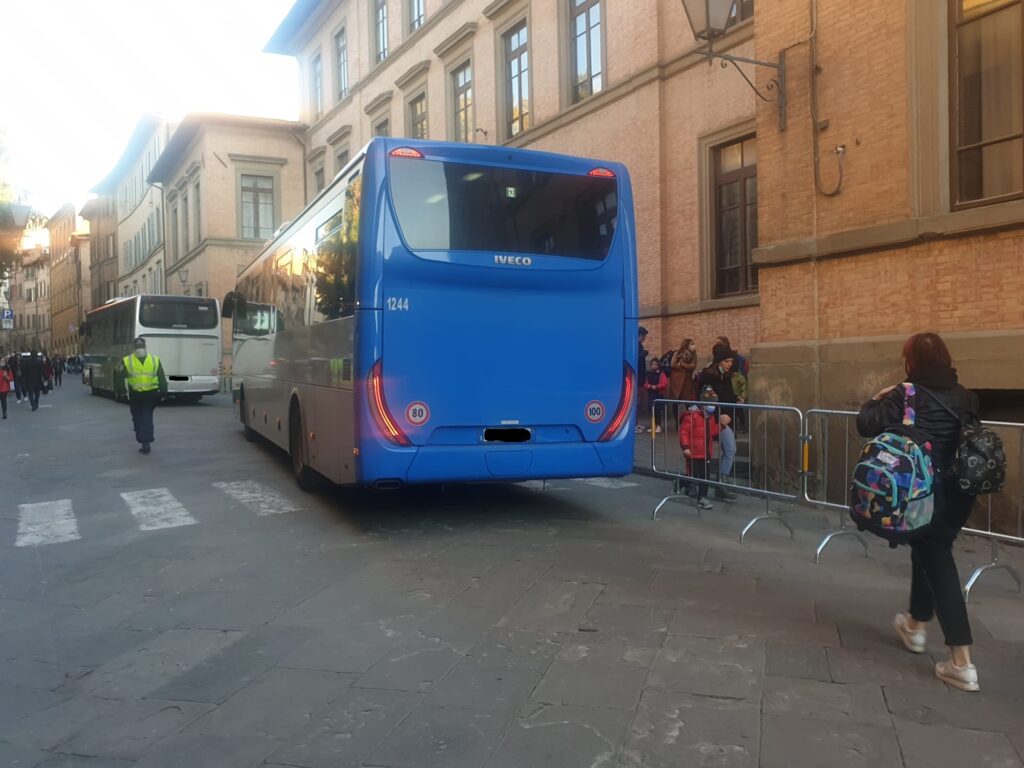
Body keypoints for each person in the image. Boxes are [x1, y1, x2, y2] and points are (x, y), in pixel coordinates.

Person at [856, 332, 981, 692]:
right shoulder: (966, 396)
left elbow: (866, 425)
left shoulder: (905, 394)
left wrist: (874, 399)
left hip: (920, 492)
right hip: (959, 492)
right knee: (928, 550)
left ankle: (962, 662)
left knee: (938, 562)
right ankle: (915, 625)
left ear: (911, 362)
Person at [697, 344, 739, 501]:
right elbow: (705, 399)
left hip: (725, 421)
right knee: (702, 453)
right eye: (726, 361)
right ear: (719, 361)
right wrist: (719, 416)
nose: (729, 364)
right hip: (710, 420)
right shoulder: (708, 376)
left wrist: (730, 413)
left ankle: (721, 483)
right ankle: (694, 484)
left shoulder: (727, 377)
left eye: (731, 361)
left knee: (730, 449)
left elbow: (730, 398)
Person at [119, 337, 168, 454]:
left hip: (150, 394)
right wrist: (122, 390)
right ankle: (143, 438)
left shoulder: (154, 360)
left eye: (141, 348)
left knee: (146, 416)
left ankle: (145, 441)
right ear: (134, 349)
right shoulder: (127, 360)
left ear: (145, 348)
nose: (139, 350)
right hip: (135, 394)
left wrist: (163, 391)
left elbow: (161, 376)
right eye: (137, 348)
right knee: (137, 417)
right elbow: (121, 376)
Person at [680, 386, 721, 510]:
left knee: (705, 477)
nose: (712, 407)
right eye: (710, 404)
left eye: (714, 404)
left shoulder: (710, 417)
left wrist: (722, 426)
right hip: (693, 452)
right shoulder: (692, 416)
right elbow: (683, 432)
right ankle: (682, 483)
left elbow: (712, 432)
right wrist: (685, 446)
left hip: (706, 452)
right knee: (693, 474)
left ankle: (702, 497)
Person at [641, 358, 669, 433]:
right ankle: (653, 426)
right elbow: (644, 383)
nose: (654, 366)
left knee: (658, 411)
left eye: (655, 364)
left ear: (658, 366)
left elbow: (665, 383)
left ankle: (659, 426)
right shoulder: (648, 374)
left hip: (658, 394)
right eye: (652, 364)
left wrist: (657, 386)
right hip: (651, 394)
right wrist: (648, 386)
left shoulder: (661, 374)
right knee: (652, 411)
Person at [669, 338, 698, 403]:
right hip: (677, 379)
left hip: (687, 380)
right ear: (687, 345)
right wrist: (685, 369)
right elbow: (673, 364)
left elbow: (693, 366)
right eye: (691, 344)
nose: (693, 345)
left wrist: (682, 364)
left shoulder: (694, 354)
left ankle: (687, 413)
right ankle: (675, 413)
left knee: (687, 400)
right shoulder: (678, 352)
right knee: (675, 399)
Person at [635, 326, 650, 434]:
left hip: (639, 378)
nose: (645, 338)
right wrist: (643, 354)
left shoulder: (640, 346)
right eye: (644, 336)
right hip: (635, 378)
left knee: (638, 402)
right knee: (634, 402)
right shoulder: (634, 346)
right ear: (640, 335)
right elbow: (636, 359)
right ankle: (633, 424)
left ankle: (636, 422)